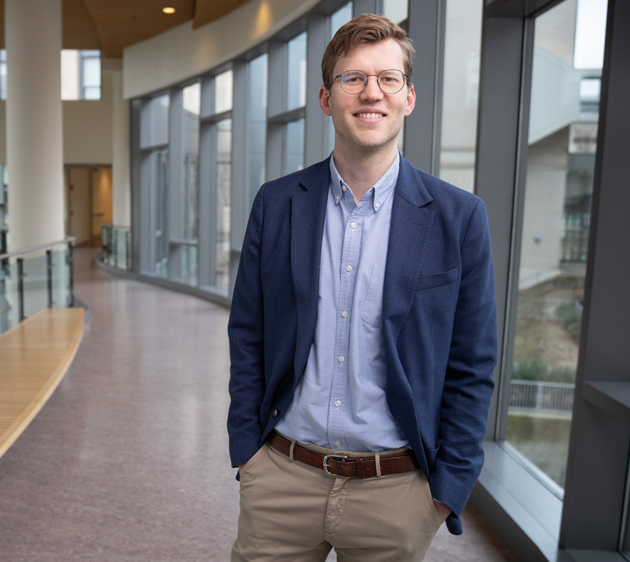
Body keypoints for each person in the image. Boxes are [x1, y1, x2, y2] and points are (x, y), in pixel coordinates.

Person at [227, 13, 497, 562]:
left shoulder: (459, 217)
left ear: (409, 97)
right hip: (281, 476)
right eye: (353, 78)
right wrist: (246, 452)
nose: (370, 92)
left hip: (397, 492)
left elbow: (472, 363)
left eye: (387, 78)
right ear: (327, 98)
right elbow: (248, 333)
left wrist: (445, 492)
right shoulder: (276, 204)